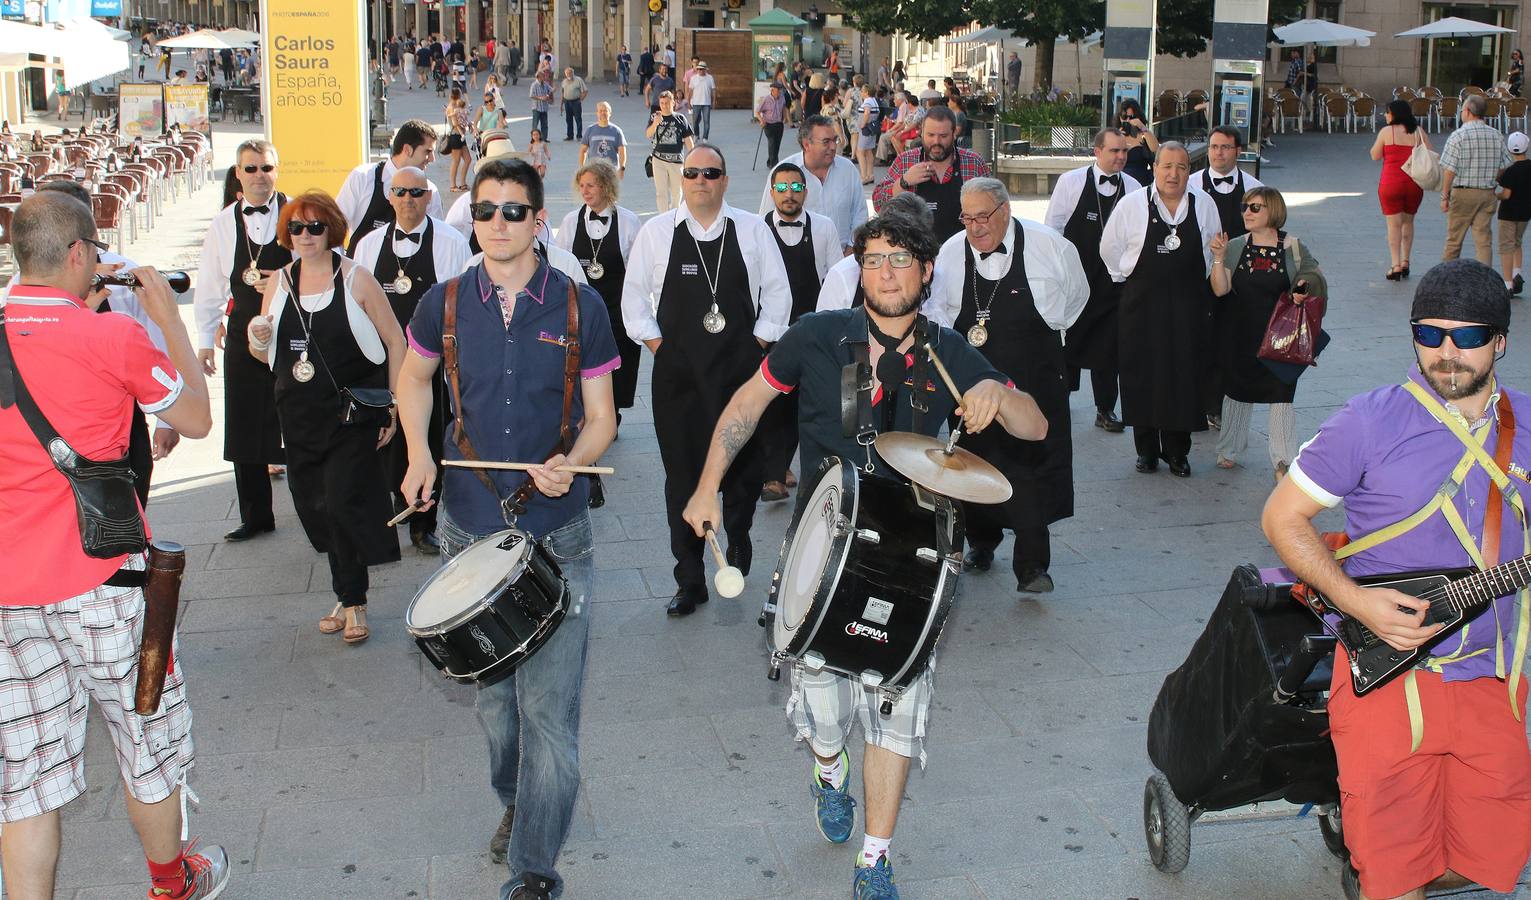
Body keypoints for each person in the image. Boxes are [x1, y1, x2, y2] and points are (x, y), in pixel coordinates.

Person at [680, 204, 1047, 900]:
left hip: (914, 552)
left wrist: (1000, 392)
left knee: (895, 707)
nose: (885, 273)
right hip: (821, 541)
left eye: (900, 260)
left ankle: (874, 859)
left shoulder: (947, 351)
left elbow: (1033, 427)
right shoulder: (819, 337)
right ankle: (826, 765)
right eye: (873, 260)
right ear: (857, 271)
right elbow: (744, 407)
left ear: (926, 271)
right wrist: (705, 489)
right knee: (822, 711)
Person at [1262, 258, 1531, 900]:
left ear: (1499, 340)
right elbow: (1283, 517)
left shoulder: (1526, 423)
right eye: (1430, 333)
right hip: (1388, 684)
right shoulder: (1367, 421)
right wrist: (1355, 599)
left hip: (1493, 678)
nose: (1446, 351)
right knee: (1393, 868)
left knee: (1490, 854)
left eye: (1466, 336)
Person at [399, 157, 618, 900]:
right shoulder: (444, 302)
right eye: (485, 210)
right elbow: (413, 377)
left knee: (548, 716)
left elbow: (602, 419)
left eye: (513, 210)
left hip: (557, 533)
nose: (498, 223)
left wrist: (571, 462)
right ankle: (518, 803)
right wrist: (417, 451)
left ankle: (534, 870)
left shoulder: (580, 306)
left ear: (538, 219)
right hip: (467, 528)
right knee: (496, 708)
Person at [0, 191, 224, 900]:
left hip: (8, 595)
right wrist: (167, 322)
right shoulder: (110, 336)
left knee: (28, 777)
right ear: (77, 255)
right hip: (107, 585)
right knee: (147, 745)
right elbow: (194, 418)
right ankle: (169, 883)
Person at [621, 143, 791, 617]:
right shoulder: (656, 233)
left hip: (741, 376)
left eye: (711, 173)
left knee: (742, 471)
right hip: (678, 379)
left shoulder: (753, 230)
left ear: (725, 181)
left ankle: (738, 537)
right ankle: (689, 578)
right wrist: (659, 348)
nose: (700, 180)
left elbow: (778, 294)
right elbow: (633, 300)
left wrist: (758, 344)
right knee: (682, 478)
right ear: (682, 179)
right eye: (692, 172)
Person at [246, 191, 404, 644]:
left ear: (332, 230)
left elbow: (395, 340)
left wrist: (391, 403)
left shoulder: (357, 278)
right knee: (312, 506)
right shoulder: (277, 283)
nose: (306, 236)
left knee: (339, 503)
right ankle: (345, 592)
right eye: (297, 227)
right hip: (297, 415)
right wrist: (257, 337)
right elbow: (265, 355)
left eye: (315, 227)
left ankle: (353, 602)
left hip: (350, 415)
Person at [930, 177, 1088, 593]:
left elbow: (1076, 298)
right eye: (967, 218)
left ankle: (1033, 565)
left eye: (983, 217)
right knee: (972, 462)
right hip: (972, 380)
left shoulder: (1049, 245)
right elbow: (942, 316)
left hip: (1034, 376)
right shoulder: (949, 252)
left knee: (1032, 466)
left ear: (1006, 211)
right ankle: (982, 542)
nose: (975, 227)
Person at [351, 166, 472, 553]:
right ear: (389, 196)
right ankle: (388, 507)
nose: (408, 200)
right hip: (382, 359)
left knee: (428, 437)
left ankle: (423, 524)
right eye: (400, 192)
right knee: (384, 438)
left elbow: (463, 305)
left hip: (431, 363)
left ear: (429, 198)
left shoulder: (452, 242)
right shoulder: (368, 245)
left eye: (416, 193)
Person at [1100, 141, 1222, 478]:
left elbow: (1212, 250)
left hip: (1189, 306)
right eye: (1166, 166)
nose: (1173, 174)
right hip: (1141, 305)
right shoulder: (1132, 205)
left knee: (1183, 376)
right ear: (1154, 168)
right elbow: (1110, 248)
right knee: (1142, 376)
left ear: (1189, 172)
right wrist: (1123, 276)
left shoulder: (1204, 204)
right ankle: (1147, 452)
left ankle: (1178, 452)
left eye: (1181, 167)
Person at [193, 139, 289, 541]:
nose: (259, 176)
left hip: (291, 330)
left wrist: (286, 279)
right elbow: (211, 281)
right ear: (238, 174)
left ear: (276, 170)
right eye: (251, 169)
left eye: (266, 168)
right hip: (241, 331)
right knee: (244, 422)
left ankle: (319, 510)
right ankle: (256, 516)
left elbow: (327, 263)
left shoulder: (298, 212)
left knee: (300, 418)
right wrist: (203, 335)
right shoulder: (223, 221)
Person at [1207, 187, 1326, 477]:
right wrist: (1219, 258)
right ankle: (1228, 449)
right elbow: (1220, 289)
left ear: (1272, 211)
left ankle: (1283, 460)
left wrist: (1301, 289)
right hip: (1240, 332)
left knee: (1281, 395)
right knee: (1236, 391)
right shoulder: (1235, 246)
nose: (1247, 212)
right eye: (1245, 206)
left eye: (1255, 207)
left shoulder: (1293, 247)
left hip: (1281, 336)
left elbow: (1312, 275)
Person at [1044, 128, 1140, 435]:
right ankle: (1061, 400)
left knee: (1108, 347)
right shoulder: (1070, 183)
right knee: (1068, 341)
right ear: (1097, 152)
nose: (1121, 157)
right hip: (1076, 277)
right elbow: (1053, 227)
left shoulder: (1135, 186)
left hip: (1113, 281)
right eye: (1114, 151)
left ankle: (1105, 408)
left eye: (1124, 151)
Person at [757, 160, 842, 501]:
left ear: (805, 192)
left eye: (795, 188)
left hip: (812, 332)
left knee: (804, 404)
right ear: (772, 191)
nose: (788, 194)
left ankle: (787, 471)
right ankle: (773, 475)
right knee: (773, 404)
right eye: (781, 188)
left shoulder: (823, 228)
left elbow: (836, 276)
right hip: (771, 332)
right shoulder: (757, 229)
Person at [554, 161, 643, 430]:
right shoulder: (571, 221)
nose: (585, 191)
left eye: (590, 185)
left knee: (618, 363)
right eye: (581, 186)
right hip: (582, 309)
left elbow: (637, 268)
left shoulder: (628, 221)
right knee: (582, 363)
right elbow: (561, 264)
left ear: (605, 186)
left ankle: (611, 414)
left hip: (617, 308)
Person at [873, 106, 992, 243]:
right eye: (930, 135)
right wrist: (903, 182)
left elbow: (994, 207)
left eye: (943, 136)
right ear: (921, 133)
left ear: (954, 134)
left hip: (963, 252)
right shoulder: (905, 161)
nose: (936, 142)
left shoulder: (973, 163)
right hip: (916, 253)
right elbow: (878, 204)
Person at [756, 114, 867, 253]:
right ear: (806, 144)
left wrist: (851, 249)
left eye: (835, 140)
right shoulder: (782, 173)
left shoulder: (848, 170)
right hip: (796, 260)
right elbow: (765, 220)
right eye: (826, 141)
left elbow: (860, 213)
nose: (833, 147)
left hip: (843, 256)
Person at [336, 120, 443, 255]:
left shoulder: (430, 191)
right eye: (427, 151)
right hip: (362, 269)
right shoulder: (362, 177)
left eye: (413, 193)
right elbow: (335, 224)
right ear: (407, 150)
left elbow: (438, 237)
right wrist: (339, 266)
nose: (432, 158)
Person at [1441, 94, 1509, 265]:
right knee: (1484, 241)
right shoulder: (1496, 135)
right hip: (1487, 193)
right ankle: (1485, 280)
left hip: (1463, 192)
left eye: (1462, 110)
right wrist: (1493, 179)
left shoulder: (1458, 136)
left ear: (1468, 111)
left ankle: (1446, 280)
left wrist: (1445, 195)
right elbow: (1504, 165)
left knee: (1454, 240)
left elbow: (1449, 169)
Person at [1373, 99, 1429, 281]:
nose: (1386, 116)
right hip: (1414, 184)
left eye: (1388, 112)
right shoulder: (1418, 132)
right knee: (1408, 222)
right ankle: (1406, 261)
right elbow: (1430, 153)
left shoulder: (1386, 132)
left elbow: (1375, 155)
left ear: (1395, 114)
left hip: (1391, 184)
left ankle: (1395, 265)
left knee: (1393, 225)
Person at [645, 91, 694, 212]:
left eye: (667, 103)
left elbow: (688, 140)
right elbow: (648, 134)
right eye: (662, 103)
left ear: (673, 103)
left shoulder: (680, 118)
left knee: (677, 192)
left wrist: (693, 158)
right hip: (658, 160)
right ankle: (663, 216)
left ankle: (674, 214)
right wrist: (656, 123)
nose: (664, 105)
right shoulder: (655, 117)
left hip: (676, 161)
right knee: (660, 192)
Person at [1498, 131, 1531, 294]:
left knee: (1506, 246)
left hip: (1508, 213)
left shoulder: (1510, 171)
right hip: (1525, 213)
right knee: (1517, 242)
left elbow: (1506, 194)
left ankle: (1507, 283)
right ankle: (1517, 273)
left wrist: (1495, 195)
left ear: (1510, 150)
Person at [1117, 99, 1158, 187]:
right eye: (1124, 117)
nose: (1128, 121)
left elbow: (1155, 148)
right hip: (1121, 182)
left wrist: (1142, 126)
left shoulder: (1143, 134)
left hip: (1141, 181)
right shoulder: (1116, 135)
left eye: (1131, 118)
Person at [579, 101, 626, 174]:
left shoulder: (617, 131)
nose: (603, 113)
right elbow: (583, 151)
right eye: (600, 111)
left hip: (611, 172)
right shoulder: (590, 130)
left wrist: (622, 169)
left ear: (610, 113)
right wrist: (582, 168)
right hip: (593, 171)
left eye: (605, 111)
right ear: (597, 113)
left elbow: (622, 152)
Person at [445, 89, 473, 192]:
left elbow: (463, 119)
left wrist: (468, 124)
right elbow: (455, 124)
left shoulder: (457, 106)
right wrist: (462, 132)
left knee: (468, 159)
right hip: (455, 136)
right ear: (458, 96)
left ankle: (463, 183)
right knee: (456, 161)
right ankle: (453, 185)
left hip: (460, 136)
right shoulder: (451, 108)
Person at [757, 82, 788, 167]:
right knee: (772, 142)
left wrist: (785, 117)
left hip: (779, 124)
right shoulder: (766, 99)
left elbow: (784, 108)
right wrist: (761, 120)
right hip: (769, 124)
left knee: (777, 144)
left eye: (780, 90)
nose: (780, 92)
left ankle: (770, 161)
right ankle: (774, 164)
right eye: (778, 90)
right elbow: (757, 112)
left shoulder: (782, 98)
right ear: (772, 90)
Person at [687, 61, 716, 140]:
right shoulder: (693, 78)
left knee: (706, 121)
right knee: (695, 121)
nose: (700, 71)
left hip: (706, 103)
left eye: (702, 69)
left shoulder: (710, 78)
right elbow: (690, 91)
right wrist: (689, 102)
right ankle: (696, 135)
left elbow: (713, 90)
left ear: (705, 70)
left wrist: (713, 101)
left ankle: (705, 137)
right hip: (696, 102)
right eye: (699, 69)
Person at [560, 67, 587, 142]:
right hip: (567, 102)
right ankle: (570, 135)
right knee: (568, 119)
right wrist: (561, 105)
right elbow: (562, 93)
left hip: (576, 102)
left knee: (578, 119)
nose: (569, 74)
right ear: (565, 74)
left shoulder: (578, 80)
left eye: (570, 73)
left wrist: (580, 100)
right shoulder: (564, 81)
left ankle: (579, 136)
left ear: (573, 73)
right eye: (567, 73)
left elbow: (585, 91)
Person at [529, 69, 554, 146]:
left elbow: (551, 90)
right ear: (538, 77)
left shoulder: (545, 84)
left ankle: (544, 138)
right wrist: (541, 98)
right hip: (536, 107)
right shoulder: (534, 85)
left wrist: (552, 90)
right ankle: (533, 139)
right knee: (535, 124)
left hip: (544, 107)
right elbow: (531, 95)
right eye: (543, 76)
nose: (544, 77)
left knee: (544, 124)